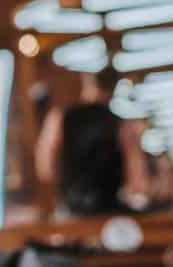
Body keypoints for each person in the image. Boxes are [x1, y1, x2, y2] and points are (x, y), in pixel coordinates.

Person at [35, 68, 150, 216]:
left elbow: (46, 168)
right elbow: (137, 177)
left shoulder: (59, 117)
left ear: (86, 84)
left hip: (71, 211)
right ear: (114, 88)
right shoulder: (122, 125)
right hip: (109, 210)